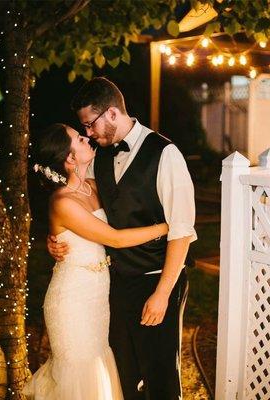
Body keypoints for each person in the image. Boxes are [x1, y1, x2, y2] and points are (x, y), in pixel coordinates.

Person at [48, 77, 197, 400]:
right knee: (125, 376)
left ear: (112, 114)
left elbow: (183, 232)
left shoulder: (166, 154)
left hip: (157, 280)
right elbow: (76, 201)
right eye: (83, 128)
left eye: (90, 124)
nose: (88, 133)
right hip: (114, 284)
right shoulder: (97, 155)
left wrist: (162, 294)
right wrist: (57, 237)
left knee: (160, 377)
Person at [22, 123, 169, 400]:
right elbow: (114, 238)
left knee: (97, 367)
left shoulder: (93, 186)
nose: (87, 137)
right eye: (79, 138)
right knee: (79, 374)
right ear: (69, 157)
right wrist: (167, 227)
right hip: (71, 300)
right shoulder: (62, 202)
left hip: (98, 296)